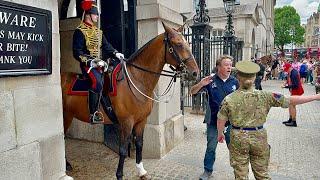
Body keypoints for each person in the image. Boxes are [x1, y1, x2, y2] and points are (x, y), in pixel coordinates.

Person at [216, 60, 320, 180]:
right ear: (254, 77)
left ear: (238, 77)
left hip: (238, 137)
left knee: (240, 174)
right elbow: (291, 100)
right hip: (259, 136)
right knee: (262, 174)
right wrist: (315, 97)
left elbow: (221, 119)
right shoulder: (266, 96)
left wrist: (220, 134)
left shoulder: (229, 99)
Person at [73, 0, 124, 123]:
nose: (97, 16)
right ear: (88, 14)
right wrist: (91, 62)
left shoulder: (98, 32)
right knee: (97, 83)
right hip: (88, 66)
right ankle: (93, 113)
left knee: (110, 81)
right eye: (95, 14)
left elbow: (106, 46)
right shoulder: (80, 31)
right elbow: (77, 52)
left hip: (100, 64)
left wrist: (116, 53)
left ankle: (108, 108)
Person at [190, 55, 239, 180]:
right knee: (211, 146)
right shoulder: (210, 80)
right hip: (213, 121)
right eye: (226, 65)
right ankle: (207, 170)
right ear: (218, 67)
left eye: (230, 64)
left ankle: (239, 172)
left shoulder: (235, 82)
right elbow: (192, 91)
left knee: (233, 148)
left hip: (231, 122)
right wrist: (201, 83)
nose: (229, 67)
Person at [281, 63, 304, 127]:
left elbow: (295, 85)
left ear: (290, 68)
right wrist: (285, 82)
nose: (286, 71)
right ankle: (290, 119)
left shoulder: (294, 73)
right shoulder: (291, 72)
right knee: (290, 104)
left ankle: (294, 122)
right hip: (293, 91)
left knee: (292, 105)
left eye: (286, 69)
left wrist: (285, 87)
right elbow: (287, 78)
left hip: (296, 91)